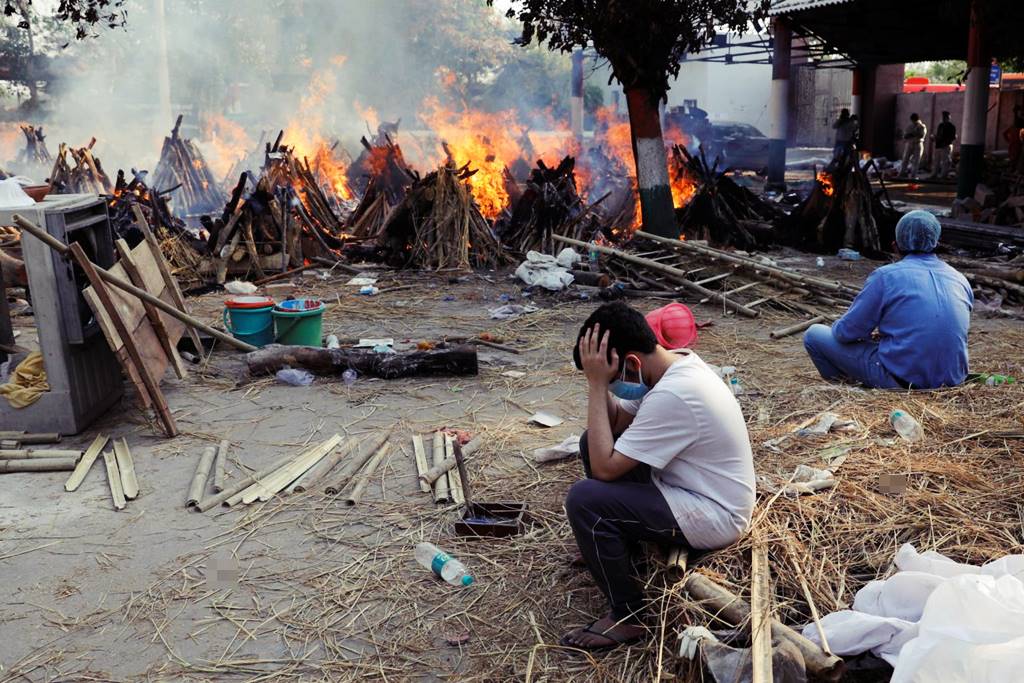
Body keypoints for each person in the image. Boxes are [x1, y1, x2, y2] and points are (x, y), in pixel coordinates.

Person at [560, 302, 755, 652]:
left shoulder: (675, 393)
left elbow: (605, 467)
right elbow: (616, 424)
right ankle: (618, 546)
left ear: (632, 363)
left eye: (614, 377)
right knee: (593, 440)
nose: (612, 385)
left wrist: (595, 385)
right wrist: (602, 381)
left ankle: (628, 615)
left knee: (584, 500)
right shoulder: (672, 366)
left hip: (715, 513)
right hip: (689, 489)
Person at [803, 211, 973, 390]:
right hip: (952, 382)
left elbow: (845, 333)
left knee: (814, 335)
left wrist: (851, 329)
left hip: (903, 382)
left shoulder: (886, 276)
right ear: (937, 243)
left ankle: (846, 392)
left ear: (895, 246)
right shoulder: (959, 278)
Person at [899, 113, 927, 179]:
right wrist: (910, 135)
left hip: (918, 144)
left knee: (916, 160)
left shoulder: (922, 126)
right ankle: (902, 173)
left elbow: (921, 135)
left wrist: (912, 134)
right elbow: (905, 136)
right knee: (905, 159)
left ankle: (913, 175)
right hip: (910, 143)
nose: (913, 121)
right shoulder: (910, 126)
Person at [931, 111, 956, 179]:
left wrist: (946, 142)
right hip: (939, 145)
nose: (944, 118)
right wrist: (934, 137)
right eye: (943, 117)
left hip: (946, 146)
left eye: (945, 117)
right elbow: (939, 135)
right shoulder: (940, 125)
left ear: (948, 118)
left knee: (945, 162)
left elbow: (953, 137)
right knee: (936, 161)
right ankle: (934, 175)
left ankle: (943, 175)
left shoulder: (951, 126)